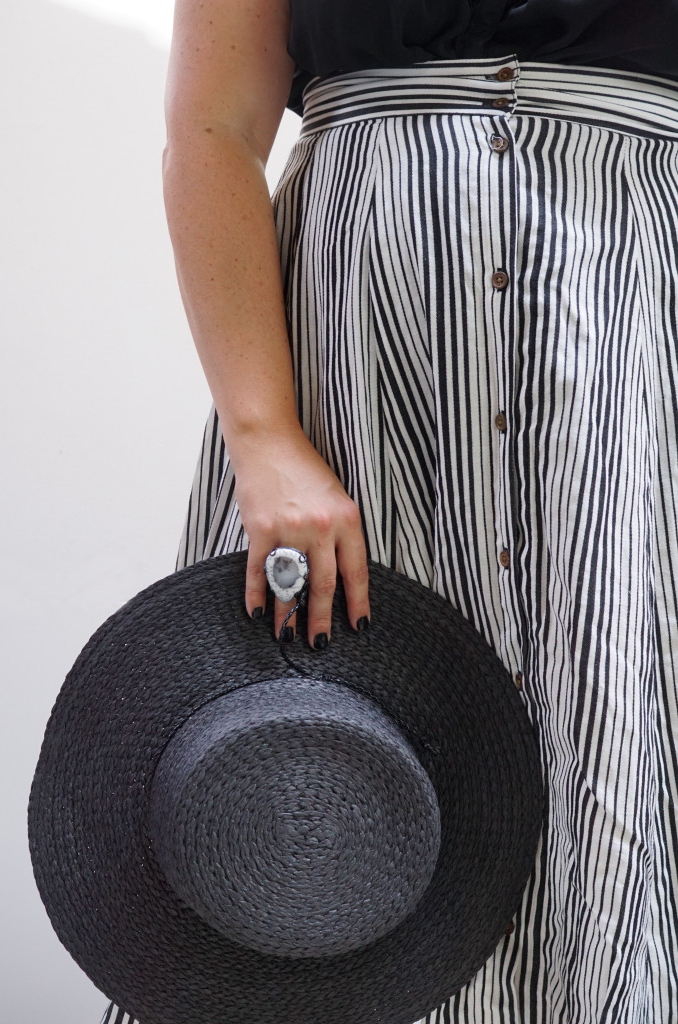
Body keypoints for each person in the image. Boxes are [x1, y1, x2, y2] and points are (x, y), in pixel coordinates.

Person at [102, 0, 678, 1021]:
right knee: (324, 768)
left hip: (631, 361)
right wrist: (264, 438)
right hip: (357, 373)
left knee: (618, 736)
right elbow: (210, 128)